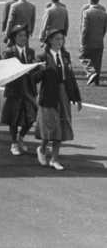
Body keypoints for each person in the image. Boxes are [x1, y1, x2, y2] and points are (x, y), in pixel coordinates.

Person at [35, 28, 82, 171]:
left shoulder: (66, 55)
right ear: (49, 40)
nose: (60, 42)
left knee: (61, 126)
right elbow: (34, 78)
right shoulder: (42, 56)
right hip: (49, 96)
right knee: (50, 127)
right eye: (57, 39)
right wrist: (41, 70)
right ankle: (42, 149)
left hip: (64, 96)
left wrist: (77, 97)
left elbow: (71, 78)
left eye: (61, 39)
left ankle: (54, 158)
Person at [0, 24, 38, 156]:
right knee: (14, 119)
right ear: (14, 38)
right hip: (15, 91)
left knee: (31, 117)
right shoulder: (9, 52)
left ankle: (21, 137)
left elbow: (34, 73)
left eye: (25, 36)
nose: (23, 38)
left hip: (28, 90)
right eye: (20, 36)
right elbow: (5, 71)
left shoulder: (31, 52)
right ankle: (14, 143)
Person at [80, 0, 107, 86]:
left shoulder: (87, 12)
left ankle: (91, 73)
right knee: (97, 61)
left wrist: (83, 41)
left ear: (89, 0)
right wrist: (100, 37)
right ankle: (97, 81)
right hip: (99, 41)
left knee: (83, 57)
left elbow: (84, 29)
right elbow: (104, 28)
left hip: (88, 41)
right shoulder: (104, 13)